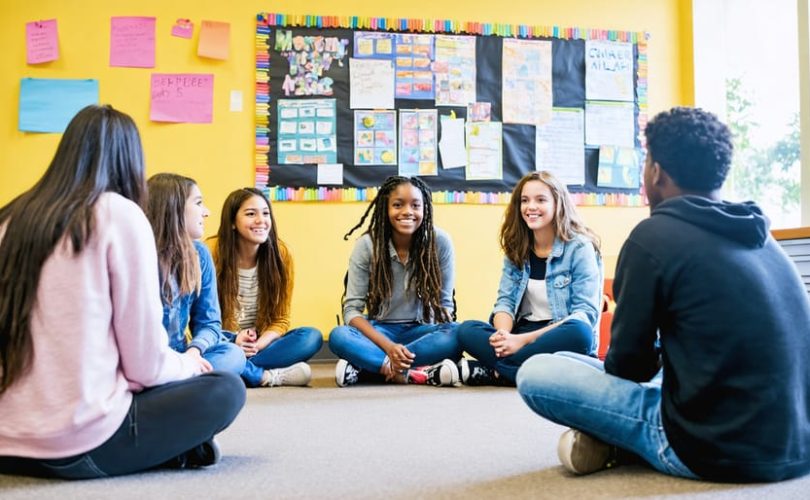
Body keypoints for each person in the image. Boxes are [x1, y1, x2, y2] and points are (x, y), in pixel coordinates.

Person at [516, 107, 810, 483]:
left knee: (538, 370)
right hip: (795, 446)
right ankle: (614, 442)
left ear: (656, 172)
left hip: (709, 450)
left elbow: (627, 368)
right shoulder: (762, 238)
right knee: (574, 359)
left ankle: (621, 441)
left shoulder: (653, 237)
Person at [0, 105, 245, 479]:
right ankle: (169, 449)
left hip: (7, 442)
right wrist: (187, 364)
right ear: (129, 160)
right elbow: (145, 366)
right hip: (78, 446)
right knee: (225, 388)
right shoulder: (118, 214)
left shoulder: (10, 217)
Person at [456, 171, 602, 386]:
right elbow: (504, 302)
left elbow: (584, 315)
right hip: (521, 332)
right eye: (525, 200)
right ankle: (523, 372)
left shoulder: (579, 248)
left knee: (580, 332)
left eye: (540, 200)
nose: (530, 207)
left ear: (558, 203)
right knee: (466, 329)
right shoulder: (517, 248)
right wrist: (504, 336)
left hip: (558, 335)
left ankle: (497, 371)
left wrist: (520, 342)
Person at [328, 175, 460, 387]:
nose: (407, 211)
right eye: (398, 205)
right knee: (339, 336)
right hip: (379, 333)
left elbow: (444, 306)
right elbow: (351, 311)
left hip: (421, 331)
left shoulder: (440, 242)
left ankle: (373, 369)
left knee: (457, 332)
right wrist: (389, 347)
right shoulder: (367, 245)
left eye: (415, 205)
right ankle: (411, 371)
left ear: (425, 209)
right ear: (385, 209)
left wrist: (400, 351)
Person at [208, 188, 322, 388]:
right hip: (223, 341)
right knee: (212, 351)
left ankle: (236, 368)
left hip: (260, 346)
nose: (261, 220)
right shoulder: (210, 252)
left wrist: (256, 345)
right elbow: (202, 317)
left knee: (310, 337)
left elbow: (281, 319)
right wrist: (235, 341)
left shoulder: (282, 254)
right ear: (233, 222)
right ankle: (264, 376)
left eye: (265, 213)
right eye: (251, 214)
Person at [145, 173, 246, 377]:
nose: (206, 212)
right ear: (174, 207)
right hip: (146, 357)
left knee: (233, 354)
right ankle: (179, 380)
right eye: (199, 203)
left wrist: (194, 351)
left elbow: (209, 323)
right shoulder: (138, 253)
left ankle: (174, 379)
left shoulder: (200, 254)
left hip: (181, 354)